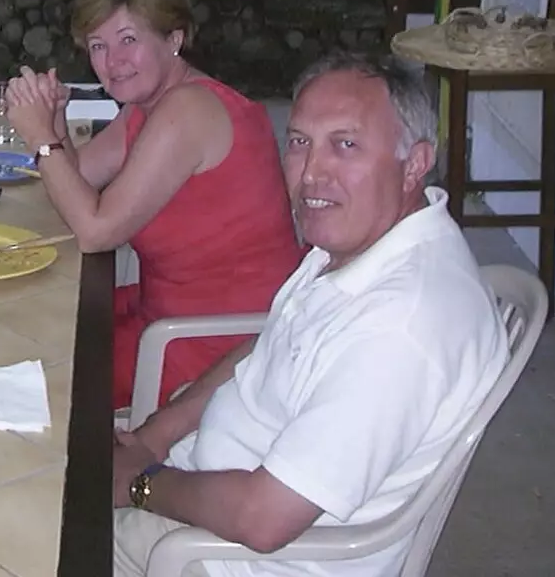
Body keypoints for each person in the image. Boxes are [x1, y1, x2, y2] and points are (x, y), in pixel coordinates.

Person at [109, 52, 508, 577]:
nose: (312, 174)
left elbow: (264, 519)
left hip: (229, 557)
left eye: (346, 145)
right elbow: (272, 344)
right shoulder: (356, 245)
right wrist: (158, 433)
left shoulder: (402, 329)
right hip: (198, 479)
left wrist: (141, 483)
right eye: (299, 142)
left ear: (415, 163)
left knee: (26, 527)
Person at [4, 0, 302, 410]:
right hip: (160, 312)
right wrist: (55, 125)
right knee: (31, 324)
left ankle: (78, 473)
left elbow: (94, 231)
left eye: (129, 40)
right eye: (99, 46)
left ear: (174, 39)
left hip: (217, 345)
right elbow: (78, 179)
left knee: (35, 372)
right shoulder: (152, 105)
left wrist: (40, 138)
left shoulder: (188, 113)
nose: (113, 62)